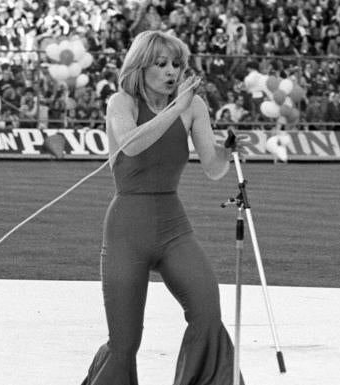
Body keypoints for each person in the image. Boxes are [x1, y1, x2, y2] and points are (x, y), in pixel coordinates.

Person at [81, 31, 246, 385]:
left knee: (207, 311)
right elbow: (131, 146)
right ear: (141, 67)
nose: (172, 72)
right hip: (127, 228)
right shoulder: (121, 102)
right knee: (125, 341)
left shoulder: (193, 106)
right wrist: (177, 108)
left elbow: (213, 170)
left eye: (176, 64)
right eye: (161, 64)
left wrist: (227, 152)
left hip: (173, 227)